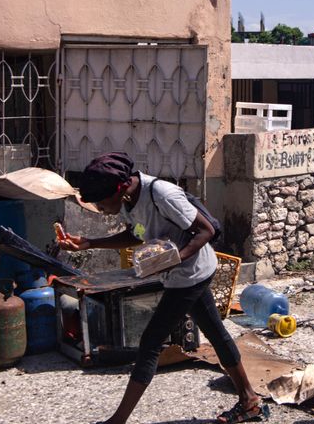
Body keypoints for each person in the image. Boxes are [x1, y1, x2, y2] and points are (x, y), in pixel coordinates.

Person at [57, 152, 266, 424]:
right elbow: (134, 235)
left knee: (150, 343)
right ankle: (249, 401)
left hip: (191, 274)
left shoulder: (163, 194)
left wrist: (172, 259)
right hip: (180, 274)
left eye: (102, 202)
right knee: (215, 331)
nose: (101, 208)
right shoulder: (130, 199)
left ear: (120, 188)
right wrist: (89, 242)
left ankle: (117, 420)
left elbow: (206, 231)